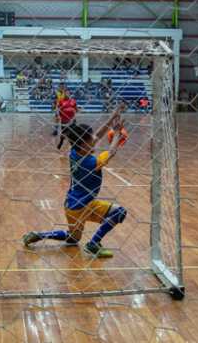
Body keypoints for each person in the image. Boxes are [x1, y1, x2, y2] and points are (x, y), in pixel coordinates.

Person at [23, 105, 128, 258]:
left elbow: (96, 136)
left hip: (71, 206)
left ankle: (40, 235)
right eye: (91, 139)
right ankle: (94, 243)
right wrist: (117, 135)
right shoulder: (92, 163)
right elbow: (111, 152)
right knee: (119, 212)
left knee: (73, 239)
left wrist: (112, 118)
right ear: (84, 144)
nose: (95, 140)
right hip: (86, 205)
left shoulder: (74, 152)